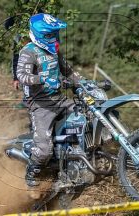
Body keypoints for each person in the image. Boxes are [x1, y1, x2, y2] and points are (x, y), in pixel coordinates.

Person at [16, 13, 83, 187]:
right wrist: (42, 79)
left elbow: (67, 70)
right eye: (50, 35)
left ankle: (76, 156)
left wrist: (83, 84)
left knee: (85, 115)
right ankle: (32, 170)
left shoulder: (54, 51)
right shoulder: (28, 51)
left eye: (55, 34)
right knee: (44, 150)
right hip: (41, 104)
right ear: (41, 34)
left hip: (59, 99)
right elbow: (22, 76)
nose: (54, 38)